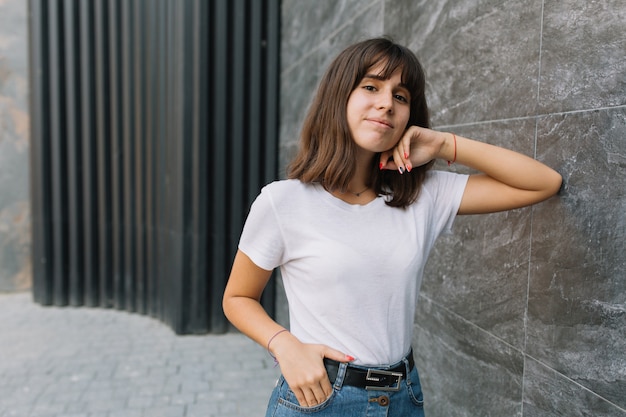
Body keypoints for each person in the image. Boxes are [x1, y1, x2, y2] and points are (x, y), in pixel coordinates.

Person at [222, 38, 562, 416]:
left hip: (403, 398)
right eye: (371, 87)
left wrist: (443, 144)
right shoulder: (284, 201)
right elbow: (237, 298)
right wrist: (284, 345)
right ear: (339, 96)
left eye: (401, 96)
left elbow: (542, 182)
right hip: (318, 396)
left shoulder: (422, 196)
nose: (386, 103)